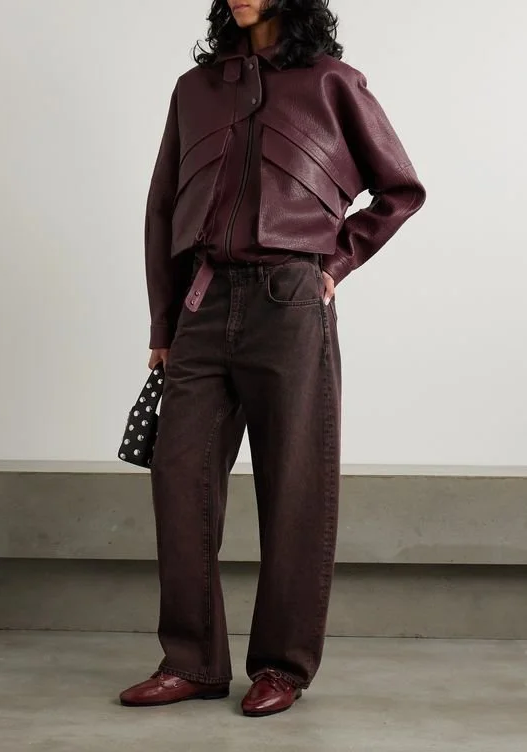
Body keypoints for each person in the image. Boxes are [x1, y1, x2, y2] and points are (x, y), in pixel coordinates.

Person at [119, 0, 426, 717]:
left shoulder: (331, 81)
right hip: (200, 303)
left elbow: (401, 189)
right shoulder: (194, 89)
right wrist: (164, 321)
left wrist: (334, 263)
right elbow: (162, 206)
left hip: (289, 301)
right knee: (180, 478)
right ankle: (191, 661)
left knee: (294, 486)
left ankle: (282, 667)